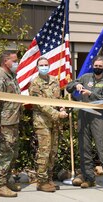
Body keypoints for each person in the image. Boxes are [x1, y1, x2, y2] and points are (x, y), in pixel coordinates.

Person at [66, 56, 103, 191]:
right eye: (96, 65)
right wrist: (75, 85)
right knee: (84, 148)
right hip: (83, 115)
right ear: (92, 65)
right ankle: (89, 179)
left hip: (98, 117)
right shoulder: (85, 77)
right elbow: (68, 87)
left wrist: (91, 93)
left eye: (100, 66)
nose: (98, 68)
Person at [28, 56, 68, 192]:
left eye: (46, 64)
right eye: (41, 65)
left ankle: (49, 178)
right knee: (44, 151)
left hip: (54, 123)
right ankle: (41, 181)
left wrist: (62, 107)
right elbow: (41, 105)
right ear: (37, 67)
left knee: (53, 151)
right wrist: (57, 114)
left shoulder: (54, 81)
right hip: (42, 122)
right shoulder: (35, 84)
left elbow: (58, 99)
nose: (44, 67)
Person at [0, 51, 22, 197]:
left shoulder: (11, 77)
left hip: (13, 121)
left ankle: (6, 179)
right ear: (5, 61)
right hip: (4, 123)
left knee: (12, 153)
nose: (17, 63)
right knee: (4, 153)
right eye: (14, 61)